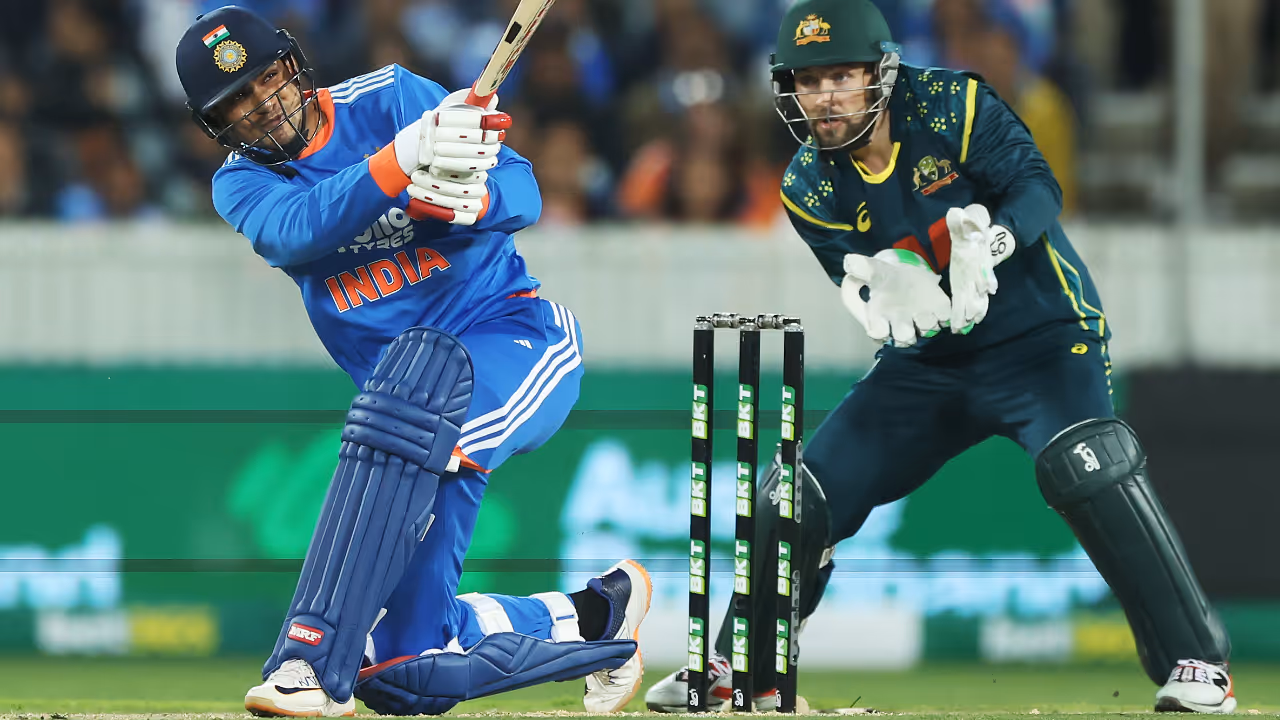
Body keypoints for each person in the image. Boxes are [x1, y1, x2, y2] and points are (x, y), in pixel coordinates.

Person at [646, 0, 1234, 714]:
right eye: (807, 81)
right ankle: (746, 669)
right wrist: (884, 295)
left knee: (1089, 464)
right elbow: (861, 277)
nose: (824, 96)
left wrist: (990, 245)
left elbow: (1036, 187)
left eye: (840, 76)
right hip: (928, 364)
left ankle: (1197, 665)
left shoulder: (952, 104)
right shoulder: (807, 187)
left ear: (879, 76)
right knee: (793, 494)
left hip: (1044, 339)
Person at [174, 6, 650, 717]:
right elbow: (300, 229)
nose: (260, 107)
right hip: (399, 411)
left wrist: (470, 199)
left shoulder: (394, 98)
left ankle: (308, 660)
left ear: (292, 68)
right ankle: (594, 617)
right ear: (216, 124)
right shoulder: (240, 184)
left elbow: (524, 191)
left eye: (265, 80)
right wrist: (404, 161)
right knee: (409, 667)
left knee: (424, 429)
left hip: (511, 340)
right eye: (234, 104)